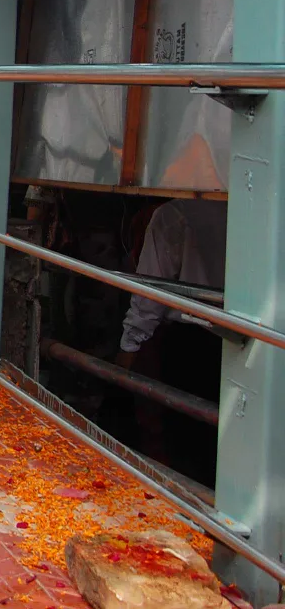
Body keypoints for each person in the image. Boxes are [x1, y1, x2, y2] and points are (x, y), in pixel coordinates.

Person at [116, 198, 227, 479]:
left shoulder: (173, 214)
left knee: (184, 435)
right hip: (239, 335)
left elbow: (150, 294)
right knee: (221, 435)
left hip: (191, 339)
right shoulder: (260, 212)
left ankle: (187, 494)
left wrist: (129, 346)